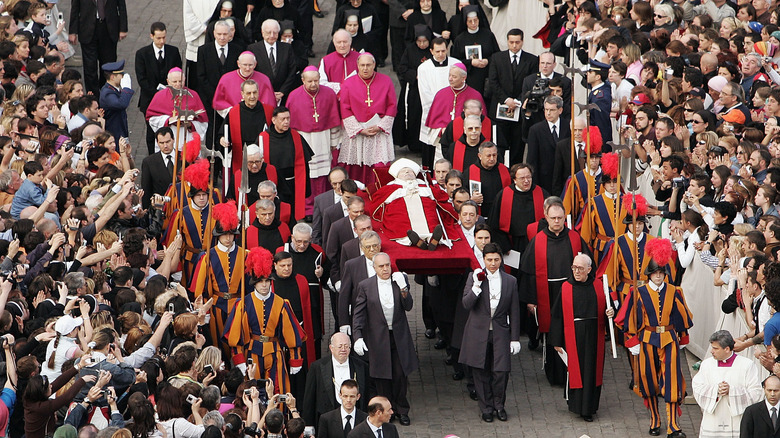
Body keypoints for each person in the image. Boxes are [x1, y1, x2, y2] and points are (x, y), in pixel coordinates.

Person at [617, 238, 694, 438]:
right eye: (655, 273)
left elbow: (682, 316)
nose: (658, 276)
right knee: (648, 381)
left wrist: (683, 340)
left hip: (669, 340)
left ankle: (673, 426)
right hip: (647, 339)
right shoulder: (638, 292)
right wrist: (633, 341)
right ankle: (655, 419)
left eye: (661, 273)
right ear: (649, 274)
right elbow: (632, 318)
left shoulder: (675, 291)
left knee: (672, 382)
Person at [520, 197, 588, 381]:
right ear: (546, 217)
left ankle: (572, 371)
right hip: (547, 294)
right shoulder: (538, 241)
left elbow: (588, 266)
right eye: (553, 218)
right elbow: (529, 273)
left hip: (570, 292)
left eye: (560, 218)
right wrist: (532, 300)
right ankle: (554, 374)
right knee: (552, 331)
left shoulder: (575, 239)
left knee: (571, 331)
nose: (557, 221)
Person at [223, 246, 306, 394]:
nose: (264, 285)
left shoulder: (281, 303)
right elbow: (235, 336)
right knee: (252, 391)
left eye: (267, 281)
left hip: (275, 352)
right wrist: (239, 359)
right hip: (252, 352)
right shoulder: (243, 304)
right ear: (254, 283)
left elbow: (291, 333)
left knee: (277, 390)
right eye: (260, 282)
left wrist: (295, 358)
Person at [352, 253, 418, 426]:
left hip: (398, 336)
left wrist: (404, 289)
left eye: (387, 265)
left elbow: (409, 306)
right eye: (381, 266)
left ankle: (402, 409)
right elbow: (358, 314)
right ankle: (387, 412)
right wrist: (357, 336)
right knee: (381, 377)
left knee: (400, 374)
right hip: (377, 338)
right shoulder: (365, 286)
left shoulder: (399, 280)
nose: (385, 269)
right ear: (374, 268)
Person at [460, 243, 521, 422]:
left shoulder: (510, 281)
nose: (493, 263)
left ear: (501, 259)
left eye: (496, 259)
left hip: (500, 332)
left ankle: (499, 405)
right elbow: (466, 304)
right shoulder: (474, 277)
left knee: (501, 372)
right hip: (477, 332)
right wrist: (476, 288)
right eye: (489, 260)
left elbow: (515, 311)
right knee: (480, 371)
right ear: (484, 260)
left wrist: (515, 338)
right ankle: (486, 407)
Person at [550, 254, 613, 422]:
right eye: (574, 268)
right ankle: (577, 405)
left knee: (591, 371)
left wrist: (610, 312)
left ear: (589, 270)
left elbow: (609, 308)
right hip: (574, 335)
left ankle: (589, 408)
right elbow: (557, 315)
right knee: (576, 370)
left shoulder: (598, 286)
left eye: (580, 268)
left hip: (594, 335)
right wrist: (556, 341)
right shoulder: (566, 287)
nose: (576, 272)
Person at [191, 201, 247, 354]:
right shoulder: (208, 257)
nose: (228, 238)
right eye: (224, 235)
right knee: (218, 345)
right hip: (217, 306)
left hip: (238, 304)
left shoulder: (244, 254)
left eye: (230, 234)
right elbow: (199, 289)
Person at [367, 158, 456, 249]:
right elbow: (377, 200)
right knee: (400, 219)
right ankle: (416, 240)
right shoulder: (390, 187)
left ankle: (432, 239)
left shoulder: (424, 186)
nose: (407, 172)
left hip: (424, 207)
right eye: (403, 171)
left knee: (431, 216)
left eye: (410, 171)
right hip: (400, 209)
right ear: (397, 176)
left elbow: (440, 197)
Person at [338, 53, 397, 186]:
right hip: (358, 131)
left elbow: (392, 105)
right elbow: (345, 108)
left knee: (380, 166)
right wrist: (359, 129)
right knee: (355, 167)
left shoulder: (386, 80)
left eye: (368, 65)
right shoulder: (348, 83)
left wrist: (380, 126)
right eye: (362, 65)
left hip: (378, 130)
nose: (365, 68)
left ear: (374, 65)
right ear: (358, 66)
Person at [286, 67, 342, 203]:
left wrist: (334, 142)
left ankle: (324, 202)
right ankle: (309, 205)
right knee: (307, 173)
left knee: (324, 174)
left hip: (323, 139)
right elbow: (290, 125)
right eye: (309, 81)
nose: (313, 84)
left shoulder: (329, 94)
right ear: (302, 80)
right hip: (304, 140)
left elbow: (334, 120)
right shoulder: (294, 96)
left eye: (316, 81)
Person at [692, 330, 763, 437]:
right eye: (712, 347)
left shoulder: (746, 365)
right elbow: (697, 387)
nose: (712, 351)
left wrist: (732, 391)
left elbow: (756, 393)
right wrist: (716, 390)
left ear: (727, 349)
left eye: (715, 348)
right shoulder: (707, 364)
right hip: (712, 422)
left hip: (737, 421)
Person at [488, 28, 538, 165]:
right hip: (500, 109)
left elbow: (532, 83)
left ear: (522, 42)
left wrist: (517, 101)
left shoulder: (532, 60)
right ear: (507, 42)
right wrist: (506, 100)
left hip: (519, 110)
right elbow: (493, 81)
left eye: (517, 42)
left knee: (518, 147)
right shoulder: (497, 58)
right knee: (499, 146)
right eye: (511, 42)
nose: (514, 45)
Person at [271, 251, 317, 400]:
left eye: (289, 265)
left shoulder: (301, 280)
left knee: (300, 372)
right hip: (278, 334)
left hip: (299, 332)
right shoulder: (270, 283)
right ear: (275, 266)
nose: (286, 268)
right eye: (282, 265)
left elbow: (309, 307)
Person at [424, 64, 485, 169]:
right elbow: (432, 124)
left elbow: (481, 123)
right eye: (449, 75)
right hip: (444, 142)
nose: (450, 79)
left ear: (463, 78)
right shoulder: (441, 94)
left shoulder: (475, 96)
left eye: (454, 76)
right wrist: (440, 131)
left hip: (467, 145)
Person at [134, 21, 183, 154]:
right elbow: (142, 80)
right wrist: (158, 93)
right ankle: (153, 158)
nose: (162, 41)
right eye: (158, 38)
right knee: (152, 133)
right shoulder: (142, 54)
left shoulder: (173, 51)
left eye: (164, 37)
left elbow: (178, 72)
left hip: (171, 100)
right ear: (151, 36)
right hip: (150, 100)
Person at [259, 106, 314, 221]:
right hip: (275, 183)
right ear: (273, 120)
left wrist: (306, 187)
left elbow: (304, 163)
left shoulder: (296, 136)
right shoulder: (263, 138)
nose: (286, 122)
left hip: (293, 183)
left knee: (293, 216)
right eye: (282, 119)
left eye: (288, 118)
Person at [303, 334, 368, 427]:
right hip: (327, 423)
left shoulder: (361, 366)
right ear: (331, 348)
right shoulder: (317, 367)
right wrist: (308, 425)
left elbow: (367, 394)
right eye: (340, 346)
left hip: (356, 423)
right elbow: (309, 398)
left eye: (346, 346)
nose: (343, 349)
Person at [221, 79, 274, 192]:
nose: (252, 96)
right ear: (242, 94)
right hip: (241, 158)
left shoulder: (268, 111)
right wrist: (222, 140)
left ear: (259, 92)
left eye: (254, 92)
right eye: (248, 93)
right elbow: (223, 133)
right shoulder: (234, 112)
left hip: (262, 160)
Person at [68, 0, 128, 95]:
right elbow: (75, 8)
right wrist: (72, 31)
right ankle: (93, 97)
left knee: (108, 64)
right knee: (89, 66)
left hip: (108, 29)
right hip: (87, 29)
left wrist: (123, 28)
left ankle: (107, 93)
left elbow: (122, 7)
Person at [417, 37, 460, 164]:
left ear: (447, 49)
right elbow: (424, 93)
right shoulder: (424, 68)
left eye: (443, 50)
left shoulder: (456, 65)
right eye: (437, 51)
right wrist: (441, 109)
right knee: (431, 146)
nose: (441, 54)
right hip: (432, 112)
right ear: (431, 51)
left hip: (453, 113)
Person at [145, 67, 209, 149]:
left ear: (184, 80)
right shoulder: (159, 96)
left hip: (187, 137)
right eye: (174, 82)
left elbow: (203, 122)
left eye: (180, 81)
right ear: (168, 81)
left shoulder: (193, 95)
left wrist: (190, 124)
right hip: (167, 138)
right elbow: (152, 119)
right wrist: (168, 120)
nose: (178, 84)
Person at [338, 230, 383, 332]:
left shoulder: (388, 262)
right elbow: (344, 295)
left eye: (375, 245)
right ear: (362, 248)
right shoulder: (352, 265)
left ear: (379, 246)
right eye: (368, 247)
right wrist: (344, 322)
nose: (372, 249)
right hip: (361, 317)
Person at [450, 5, 499, 95]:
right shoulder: (460, 39)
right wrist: (470, 62)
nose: (473, 23)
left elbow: (497, 55)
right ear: (465, 22)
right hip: (469, 78)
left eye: (475, 20)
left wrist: (487, 60)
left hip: (486, 77)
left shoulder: (488, 35)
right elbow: (455, 61)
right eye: (470, 21)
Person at [526, 95, 570, 194]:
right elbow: (532, 159)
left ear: (560, 110)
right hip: (544, 180)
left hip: (565, 178)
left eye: (552, 110)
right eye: (546, 110)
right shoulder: (536, 130)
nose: (548, 113)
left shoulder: (568, 126)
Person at [247, 19, 299, 103]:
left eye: (275, 32)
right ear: (262, 32)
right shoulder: (253, 49)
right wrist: (268, 92)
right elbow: (252, 72)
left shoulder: (286, 48)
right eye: (268, 32)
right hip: (262, 95)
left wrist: (282, 91)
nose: (272, 35)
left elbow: (292, 70)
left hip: (283, 95)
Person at [212, 51, 277, 118]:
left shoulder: (264, 79)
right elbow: (219, 103)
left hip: (258, 118)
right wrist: (234, 112)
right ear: (238, 64)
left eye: (250, 65)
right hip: (234, 118)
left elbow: (269, 104)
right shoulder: (226, 79)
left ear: (255, 64)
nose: (247, 68)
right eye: (245, 65)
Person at [461, 141, 510, 218]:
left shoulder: (506, 171)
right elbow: (461, 195)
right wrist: (471, 199)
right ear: (480, 156)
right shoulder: (469, 172)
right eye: (488, 156)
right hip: (480, 216)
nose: (492, 158)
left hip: (501, 215)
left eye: (494, 155)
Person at [140, 127, 177, 209]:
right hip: (161, 208)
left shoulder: (184, 158)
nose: (165, 146)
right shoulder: (149, 162)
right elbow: (146, 190)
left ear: (173, 139)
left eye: (168, 142)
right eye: (161, 143)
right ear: (157, 142)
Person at [98, 60, 134, 142]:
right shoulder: (107, 93)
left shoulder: (113, 89)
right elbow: (122, 104)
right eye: (121, 75)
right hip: (114, 134)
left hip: (120, 131)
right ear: (112, 77)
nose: (123, 77)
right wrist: (126, 89)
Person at [312, 168, 348, 246]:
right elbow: (316, 230)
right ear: (330, 183)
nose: (338, 187)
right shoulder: (320, 200)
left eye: (341, 183)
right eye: (334, 184)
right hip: (330, 247)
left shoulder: (357, 197)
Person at [319, 30, 360, 94]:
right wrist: (340, 87)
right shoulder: (325, 61)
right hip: (334, 98)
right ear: (334, 43)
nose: (342, 45)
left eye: (345, 42)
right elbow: (321, 83)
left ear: (350, 42)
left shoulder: (360, 58)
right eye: (339, 42)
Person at [586, 59, 613, 144]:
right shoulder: (597, 91)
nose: (587, 74)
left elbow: (602, 126)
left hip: (600, 142)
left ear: (598, 77)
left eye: (590, 72)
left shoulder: (600, 98)